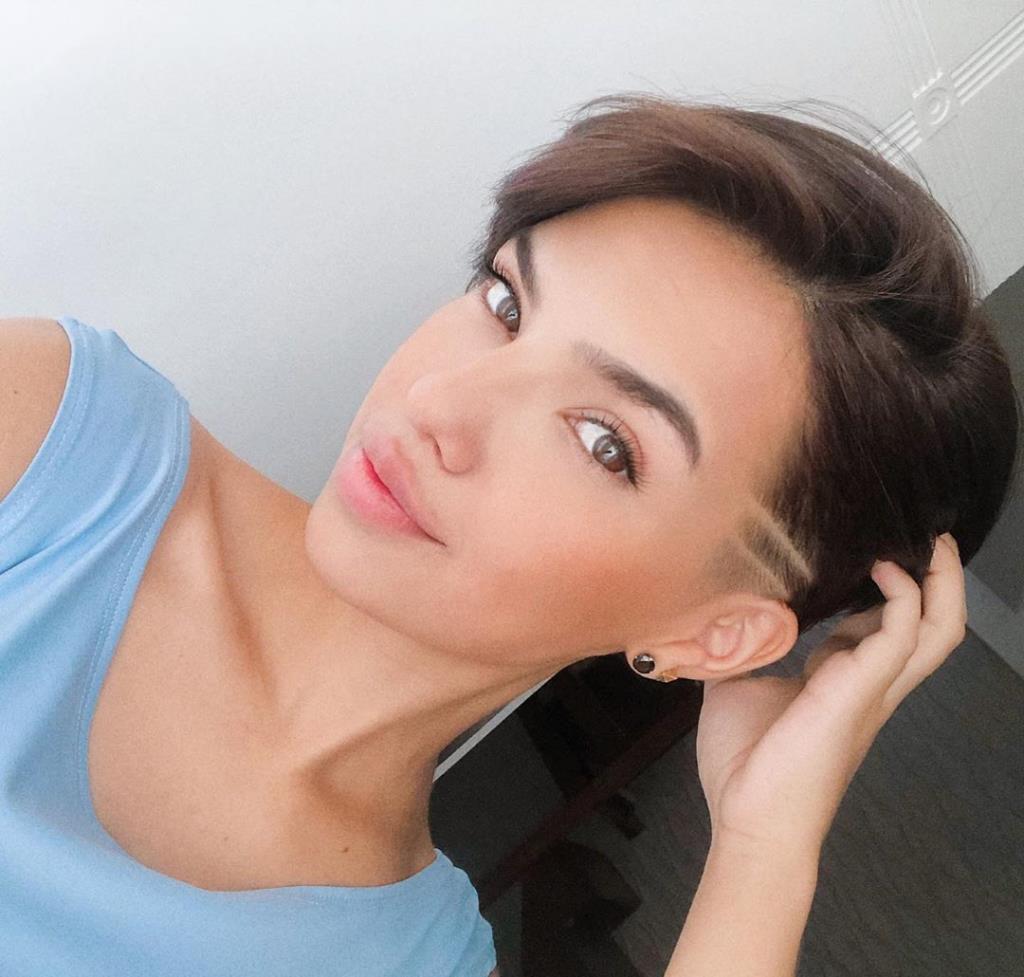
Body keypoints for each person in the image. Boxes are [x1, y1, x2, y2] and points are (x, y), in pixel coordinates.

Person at [0, 92, 1018, 976]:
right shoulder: (53, 442)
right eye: (505, 301)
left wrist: (762, 850)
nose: (439, 401)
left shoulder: (412, 959)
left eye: (604, 441)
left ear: (712, 634)